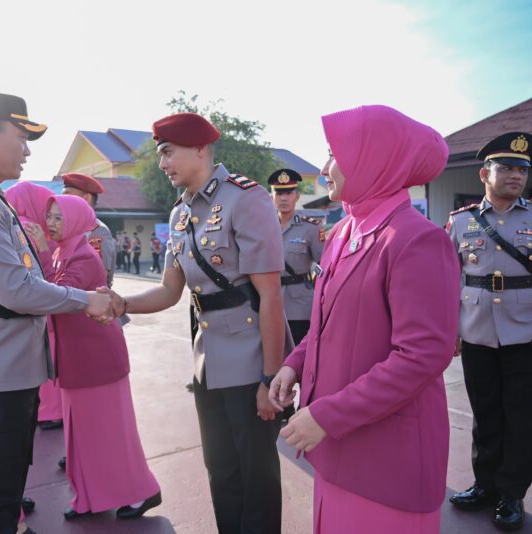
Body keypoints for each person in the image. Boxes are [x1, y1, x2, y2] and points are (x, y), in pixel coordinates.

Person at [270, 105, 459, 534]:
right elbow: (324, 322)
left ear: (374, 158)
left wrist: (327, 416)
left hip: (385, 456)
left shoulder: (417, 239)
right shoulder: (341, 232)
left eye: (334, 155)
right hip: (338, 446)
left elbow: (423, 356)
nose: (323, 168)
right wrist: (293, 364)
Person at [0, 92, 111, 534]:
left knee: (3, 499)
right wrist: (87, 299)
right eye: (22, 137)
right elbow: (15, 289)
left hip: (2, 372)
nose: (28, 150)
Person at [105, 112, 290, 533]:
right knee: (221, 469)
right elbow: (171, 291)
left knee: (256, 474)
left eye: (168, 152)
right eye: (161, 155)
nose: (163, 163)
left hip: (249, 359)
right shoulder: (179, 214)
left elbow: (271, 295)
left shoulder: (246, 198)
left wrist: (269, 376)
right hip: (207, 361)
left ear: (200, 149)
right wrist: (122, 303)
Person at [27, 194, 161, 520]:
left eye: (60, 218)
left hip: (97, 360)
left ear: (75, 221)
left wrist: (42, 250)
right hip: (78, 358)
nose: (52, 224)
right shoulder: (64, 253)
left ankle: (143, 490)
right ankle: (89, 497)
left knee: (110, 434)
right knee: (83, 437)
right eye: (51, 217)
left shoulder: (83, 257)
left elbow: (57, 297)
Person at [446, 131, 532, 531]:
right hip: (476, 331)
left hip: (530, 332)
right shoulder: (460, 221)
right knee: (484, 413)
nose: (516, 175)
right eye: (505, 168)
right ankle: (484, 485)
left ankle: (511, 493)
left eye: (522, 169)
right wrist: (450, 328)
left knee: (522, 417)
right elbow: (447, 279)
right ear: (484, 174)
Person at [4, 181, 63, 429]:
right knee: (48, 357)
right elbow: (48, 274)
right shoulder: (34, 230)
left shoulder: (10, 224)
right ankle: (50, 411)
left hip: (17, 304)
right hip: (43, 302)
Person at [268, 168, 324, 346]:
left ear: (297, 196)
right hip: (268, 304)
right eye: (279, 193)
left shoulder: (311, 229)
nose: (283, 198)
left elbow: (325, 267)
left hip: (300, 307)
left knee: (299, 359)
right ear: (272, 197)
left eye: (288, 193)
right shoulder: (261, 229)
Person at [61, 173, 116, 287]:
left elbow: (99, 275)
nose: (62, 200)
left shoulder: (98, 231)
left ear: (86, 199)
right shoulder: (69, 229)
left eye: (67, 195)